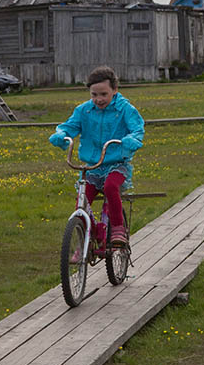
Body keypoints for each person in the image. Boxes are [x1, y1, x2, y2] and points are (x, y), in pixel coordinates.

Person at [49, 66, 144, 248]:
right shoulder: (84, 110)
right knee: (82, 200)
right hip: (92, 166)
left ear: (115, 90)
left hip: (117, 163)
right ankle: (88, 237)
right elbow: (69, 126)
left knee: (110, 187)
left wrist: (131, 139)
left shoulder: (124, 109)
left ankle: (117, 228)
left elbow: (137, 129)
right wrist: (61, 134)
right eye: (94, 95)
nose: (98, 99)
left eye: (103, 94)